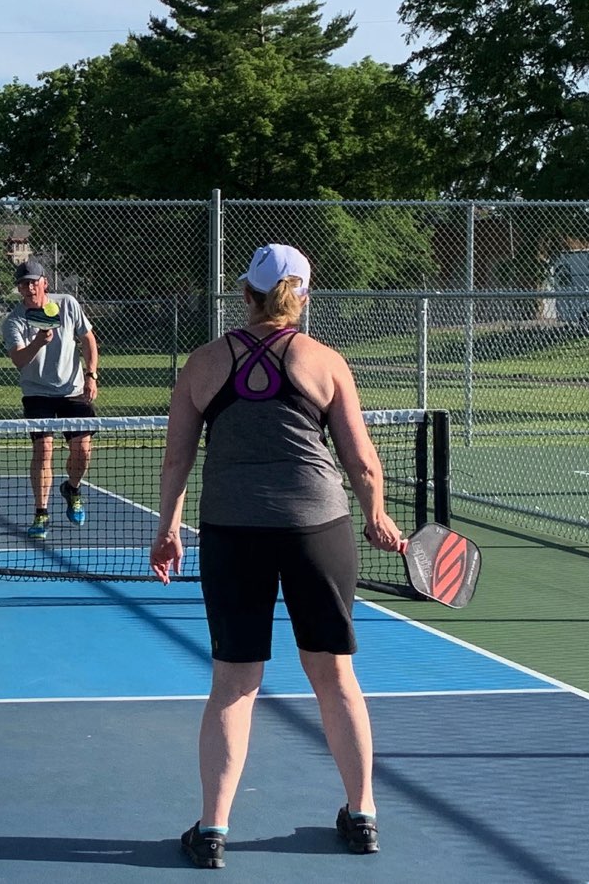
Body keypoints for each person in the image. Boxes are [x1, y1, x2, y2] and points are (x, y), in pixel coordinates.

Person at [150, 243, 407, 869]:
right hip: (318, 528)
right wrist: (375, 514)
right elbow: (362, 460)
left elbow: (177, 458)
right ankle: (363, 816)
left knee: (234, 685)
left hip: (233, 533)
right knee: (335, 676)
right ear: (304, 297)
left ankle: (212, 831)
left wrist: (168, 529)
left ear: (246, 295)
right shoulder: (325, 361)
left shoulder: (204, 363)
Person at [2, 258, 99, 540]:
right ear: (19, 289)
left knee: (82, 451)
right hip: (37, 393)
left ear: (45, 282)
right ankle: (41, 513)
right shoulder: (13, 321)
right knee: (44, 450)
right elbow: (19, 360)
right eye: (23, 284)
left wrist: (91, 375)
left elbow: (89, 339)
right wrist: (39, 341)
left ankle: (72, 488)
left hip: (73, 389)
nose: (29, 287)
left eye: (34, 281)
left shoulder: (67, 304)